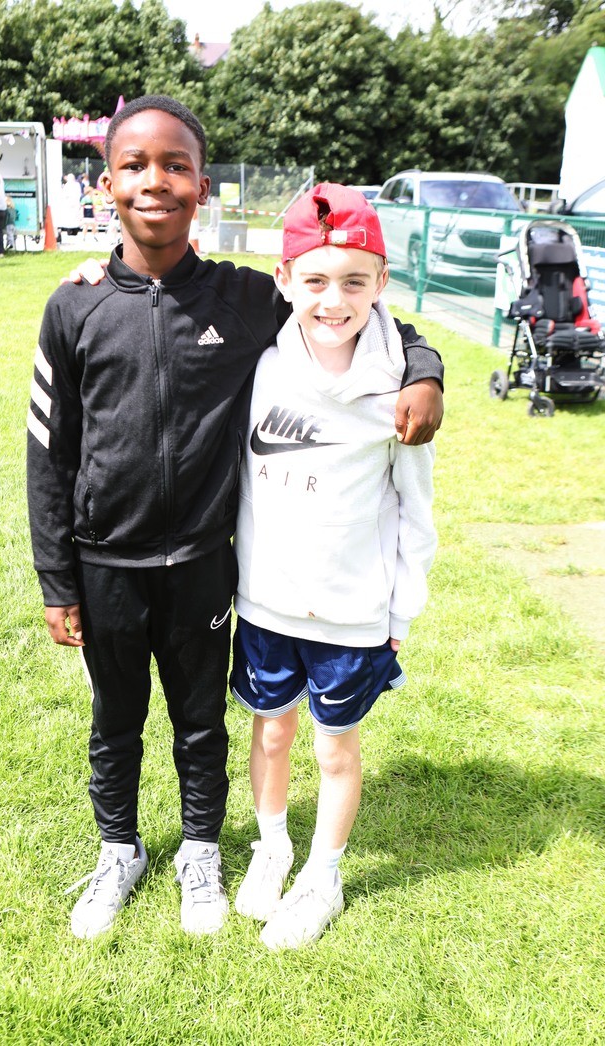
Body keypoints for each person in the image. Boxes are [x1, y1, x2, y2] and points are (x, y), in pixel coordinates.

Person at [26, 95, 443, 942]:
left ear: (202, 187)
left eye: (175, 165)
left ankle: (202, 851)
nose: (155, 181)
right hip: (105, 566)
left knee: (202, 724)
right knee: (115, 722)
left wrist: (426, 370)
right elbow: (48, 453)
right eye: (135, 166)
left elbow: (354, 308)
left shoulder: (247, 297)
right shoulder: (74, 305)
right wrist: (56, 578)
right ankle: (118, 850)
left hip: (206, 565)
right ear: (106, 186)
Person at [228, 184, 437, 950]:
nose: (333, 300)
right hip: (264, 604)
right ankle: (273, 848)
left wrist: (401, 610)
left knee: (333, 747)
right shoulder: (256, 365)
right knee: (270, 735)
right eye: (314, 280)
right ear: (284, 280)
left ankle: (324, 873)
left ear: (382, 282)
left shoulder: (400, 387)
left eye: (354, 281)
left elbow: (416, 512)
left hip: (352, 615)